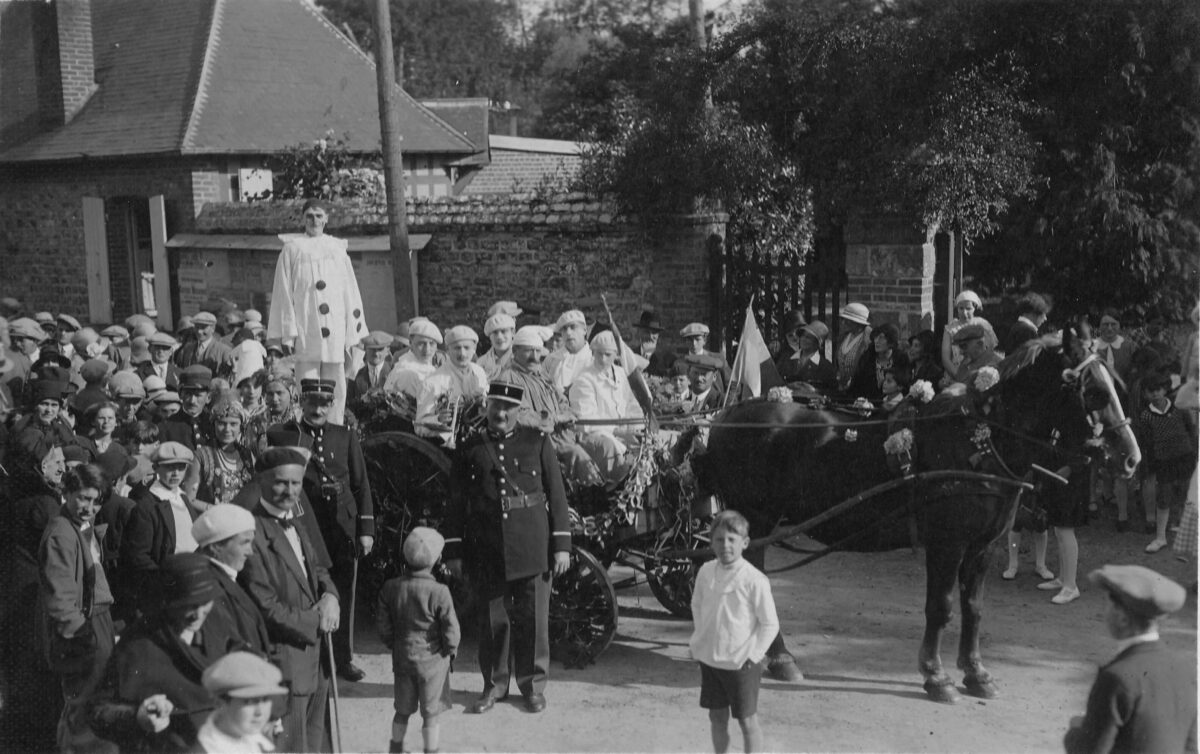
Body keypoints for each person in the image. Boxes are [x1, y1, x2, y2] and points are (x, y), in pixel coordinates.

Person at [443, 381, 571, 715]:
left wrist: (561, 546)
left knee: (532, 619)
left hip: (532, 544)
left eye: (508, 408)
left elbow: (556, 496)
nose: (501, 413)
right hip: (486, 545)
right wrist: (454, 550)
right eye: (495, 406)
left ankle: (532, 686)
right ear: (486, 406)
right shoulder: (470, 446)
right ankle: (494, 686)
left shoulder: (537, 442)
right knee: (492, 620)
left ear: (519, 411)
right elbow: (455, 502)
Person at [267, 378, 374, 683]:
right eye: (312, 402)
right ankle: (309, 655)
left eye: (324, 403)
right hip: (304, 522)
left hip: (342, 525)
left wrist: (366, 529)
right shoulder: (285, 435)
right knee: (304, 590)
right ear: (301, 402)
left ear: (331, 404)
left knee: (343, 591)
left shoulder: (345, 436)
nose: (317, 409)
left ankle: (342, 658)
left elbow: (360, 484)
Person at [240, 447, 341, 753]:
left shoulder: (296, 524)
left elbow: (317, 569)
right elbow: (265, 606)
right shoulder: (251, 533)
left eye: (296, 484)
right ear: (261, 481)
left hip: (316, 661)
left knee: (315, 745)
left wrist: (331, 596)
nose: (290, 491)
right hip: (284, 661)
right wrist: (316, 619)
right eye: (282, 483)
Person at [88, 553, 231, 752]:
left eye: (204, 603)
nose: (198, 614)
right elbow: (98, 712)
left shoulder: (217, 627)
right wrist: (138, 716)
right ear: (169, 601)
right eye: (189, 605)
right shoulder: (138, 644)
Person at [1063, 565, 1196, 753]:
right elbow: (1191, 746)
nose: (1104, 613)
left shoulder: (1116, 676)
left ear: (1122, 617)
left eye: (1107, 605)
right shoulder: (1185, 668)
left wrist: (1076, 730)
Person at [267, 199, 368, 426]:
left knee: (336, 383)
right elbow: (283, 292)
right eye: (310, 216)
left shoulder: (337, 250)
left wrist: (354, 330)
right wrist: (288, 332)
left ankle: (334, 426)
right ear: (303, 219)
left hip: (335, 329)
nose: (314, 220)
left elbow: (350, 289)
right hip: (307, 328)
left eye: (319, 216)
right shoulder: (292, 249)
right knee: (307, 382)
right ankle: (308, 427)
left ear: (326, 219)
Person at [39, 464, 117, 752]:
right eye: (83, 498)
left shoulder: (80, 527)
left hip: (98, 620)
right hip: (84, 628)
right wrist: (83, 638)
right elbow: (60, 598)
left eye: (96, 501)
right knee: (83, 705)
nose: (89, 507)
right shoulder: (62, 533)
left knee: (94, 700)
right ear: (66, 492)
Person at [689, 510, 779, 754]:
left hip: (741, 664)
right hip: (711, 661)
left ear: (745, 543)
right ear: (711, 543)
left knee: (747, 722)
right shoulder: (706, 571)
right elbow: (696, 605)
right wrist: (702, 638)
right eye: (719, 540)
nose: (725, 546)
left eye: (732, 540)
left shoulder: (754, 579)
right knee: (717, 718)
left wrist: (754, 656)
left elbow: (770, 624)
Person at [0, 435, 67, 750]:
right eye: (57, 462)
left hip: (13, 587)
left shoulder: (14, 493)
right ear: (42, 465)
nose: (62, 467)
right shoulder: (46, 503)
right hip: (36, 594)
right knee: (39, 671)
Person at [377, 527, 460, 754]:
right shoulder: (440, 591)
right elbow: (451, 629)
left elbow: (383, 624)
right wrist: (450, 649)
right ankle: (430, 750)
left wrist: (392, 643)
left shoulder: (392, 587)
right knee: (430, 713)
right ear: (437, 559)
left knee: (402, 709)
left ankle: (396, 747)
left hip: (403, 657)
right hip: (432, 662)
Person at [495, 325, 604, 486]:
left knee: (600, 446)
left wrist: (569, 414)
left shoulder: (542, 375)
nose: (534, 356)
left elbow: (562, 401)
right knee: (578, 456)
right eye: (528, 351)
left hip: (561, 437)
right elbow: (518, 416)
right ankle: (593, 499)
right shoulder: (508, 378)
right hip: (533, 442)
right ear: (515, 351)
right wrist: (556, 417)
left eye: (538, 351)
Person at [124, 442, 201, 609]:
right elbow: (139, 556)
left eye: (181, 467)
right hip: (168, 587)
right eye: (169, 468)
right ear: (156, 468)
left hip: (192, 577)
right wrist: (165, 581)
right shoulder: (147, 506)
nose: (175, 473)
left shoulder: (182, 497)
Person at [191, 504, 271, 656]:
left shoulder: (223, 579)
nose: (250, 552)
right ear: (216, 547)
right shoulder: (208, 590)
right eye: (244, 543)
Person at [1135, 372, 1198, 554]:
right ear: (1145, 394)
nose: (1155, 394)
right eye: (1150, 391)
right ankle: (1160, 537)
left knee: (1187, 493)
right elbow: (1147, 441)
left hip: (1185, 456)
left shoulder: (1179, 407)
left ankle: (1184, 527)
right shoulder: (1146, 416)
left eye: (1158, 390)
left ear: (1164, 389)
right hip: (1163, 461)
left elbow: (1190, 429)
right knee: (1164, 497)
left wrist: (1192, 451)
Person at [569, 330, 640, 482]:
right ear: (592, 353)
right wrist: (617, 431)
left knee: (650, 445)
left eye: (608, 354)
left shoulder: (621, 374)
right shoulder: (585, 379)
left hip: (623, 432)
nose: (602, 359)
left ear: (616, 355)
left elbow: (631, 404)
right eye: (598, 353)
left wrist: (636, 426)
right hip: (597, 436)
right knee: (613, 449)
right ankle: (619, 486)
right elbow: (586, 421)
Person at [195, 652, 286, 753]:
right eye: (250, 701)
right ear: (220, 704)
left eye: (265, 699)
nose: (259, 712)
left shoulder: (261, 744)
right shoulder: (208, 749)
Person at [415, 326, 489, 444]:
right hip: (449, 447)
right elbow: (419, 426)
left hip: (480, 437)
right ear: (447, 350)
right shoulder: (432, 382)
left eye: (466, 347)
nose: (462, 353)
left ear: (474, 349)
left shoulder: (479, 372)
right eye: (457, 348)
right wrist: (438, 419)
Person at [185, 397, 256, 507]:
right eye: (222, 423)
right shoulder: (201, 456)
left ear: (241, 427)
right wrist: (217, 511)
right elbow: (189, 499)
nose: (227, 429)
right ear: (213, 425)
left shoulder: (247, 455)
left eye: (233, 424)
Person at [382, 319, 444, 423]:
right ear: (410, 343)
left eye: (432, 344)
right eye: (421, 344)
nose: (427, 350)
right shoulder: (407, 372)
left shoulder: (426, 366)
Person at [848, 323, 911, 401]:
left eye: (881, 338)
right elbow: (856, 387)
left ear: (891, 341)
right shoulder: (867, 357)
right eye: (876, 337)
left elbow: (905, 387)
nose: (876, 341)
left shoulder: (901, 359)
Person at [543, 309, 593, 397]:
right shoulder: (551, 360)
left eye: (573, 327)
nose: (568, 333)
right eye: (564, 329)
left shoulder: (593, 359)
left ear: (584, 330)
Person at [777, 321, 836, 390]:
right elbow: (775, 380)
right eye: (803, 335)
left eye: (808, 337)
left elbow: (830, 391)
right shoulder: (785, 359)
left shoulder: (825, 367)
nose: (803, 339)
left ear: (817, 343)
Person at [676, 322, 732, 394]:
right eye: (690, 340)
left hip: (716, 402)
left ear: (704, 341)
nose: (694, 343)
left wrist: (727, 403)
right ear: (685, 342)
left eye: (697, 339)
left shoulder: (717, 359)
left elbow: (733, 384)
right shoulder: (680, 362)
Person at [175, 312, 235, 379]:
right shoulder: (187, 349)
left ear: (213, 329)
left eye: (203, 327)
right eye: (197, 327)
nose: (199, 331)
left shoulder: (224, 350)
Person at [940, 290, 983, 377]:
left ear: (974, 309)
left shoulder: (981, 326)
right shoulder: (950, 329)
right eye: (961, 308)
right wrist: (958, 375)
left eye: (968, 309)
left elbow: (986, 355)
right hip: (955, 373)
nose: (964, 312)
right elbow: (945, 358)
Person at [949, 318, 1002, 385]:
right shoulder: (965, 364)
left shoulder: (993, 366)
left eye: (964, 346)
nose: (961, 352)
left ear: (980, 344)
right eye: (960, 347)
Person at [348, 330, 394, 405]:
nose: (376, 353)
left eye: (380, 349)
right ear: (365, 350)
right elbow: (349, 404)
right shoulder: (355, 375)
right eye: (372, 349)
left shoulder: (394, 372)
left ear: (388, 351)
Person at [835, 303, 872, 392]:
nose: (843, 323)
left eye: (848, 320)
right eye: (843, 319)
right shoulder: (843, 337)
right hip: (842, 387)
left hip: (859, 388)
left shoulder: (867, 339)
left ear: (858, 322)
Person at [631, 309, 676, 378]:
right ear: (639, 332)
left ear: (658, 335)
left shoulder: (668, 359)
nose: (650, 336)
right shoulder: (630, 355)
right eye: (646, 332)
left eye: (654, 332)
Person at [1094, 309, 1135, 383]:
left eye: (1113, 324)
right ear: (1099, 326)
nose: (1109, 328)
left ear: (1119, 325)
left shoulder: (1129, 346)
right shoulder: (1092, 348)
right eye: (1105, 324)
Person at [477, 312, 515, 379]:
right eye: (495, 332)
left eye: (503, 331)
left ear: (513, 333)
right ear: (489, 336)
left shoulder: (521, 360)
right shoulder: (481, 362)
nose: (499, 337)